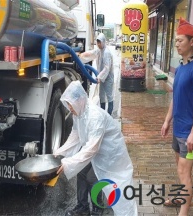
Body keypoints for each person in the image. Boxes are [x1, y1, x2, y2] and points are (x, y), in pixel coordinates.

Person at [55, 80, 137, 216]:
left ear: (80, 99)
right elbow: (74, 136)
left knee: (93, 178)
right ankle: (82, 207)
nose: (69, 107)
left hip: (110, 154)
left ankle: (97, 208)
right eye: (68, 104)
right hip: (97, 151)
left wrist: (69, 162)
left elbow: (92, 148)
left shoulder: (95, 116)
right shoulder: (79, 113)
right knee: (81, 173)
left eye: (70, 103)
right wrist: (59, 153)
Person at [160, 17, 193, 216]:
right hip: (178, 128)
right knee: (181, 169)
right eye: (176, 41)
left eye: (180, 41)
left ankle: (184, 212)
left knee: (183, 171)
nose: (177, 44)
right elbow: (176, 97)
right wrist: (167, 120)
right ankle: (183, 197)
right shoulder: (180, 68)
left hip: (189, 131)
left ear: (192, 42)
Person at [80, 33, 114, 115]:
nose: (98, 44)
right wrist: (81, 55)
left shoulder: (106, 53)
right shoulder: (99, 50)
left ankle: (109, 115)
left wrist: (99, 77)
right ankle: (103, 114)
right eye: (97, 42)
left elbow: (107, 68)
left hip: (108, 78)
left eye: (100, 42)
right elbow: (91, 53)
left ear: (103, 42)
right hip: (101, 77)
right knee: (101, 96)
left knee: (109, 96)